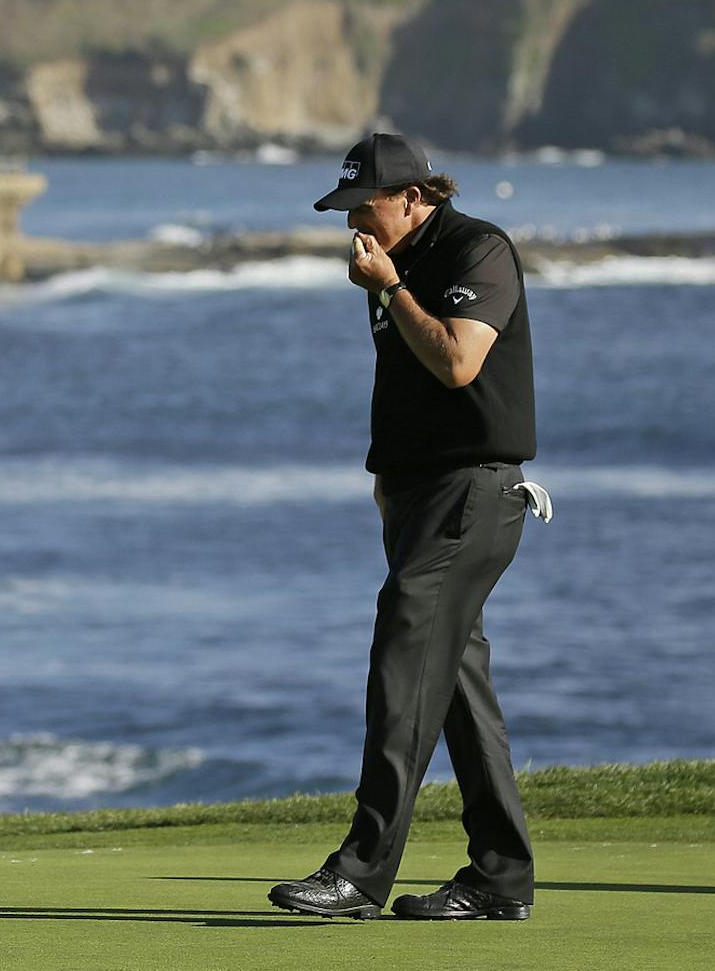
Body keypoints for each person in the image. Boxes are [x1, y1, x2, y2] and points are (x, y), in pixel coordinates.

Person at [268, 132, 549, 923]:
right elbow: (402, 385)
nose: (354, 224)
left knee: (400, 655)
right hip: (419, 499)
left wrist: (392, 289)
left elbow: (459, 362)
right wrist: (387, 483)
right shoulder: (384, 269)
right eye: (345, 211)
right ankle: (500, 875)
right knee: (457, 685)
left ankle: (360, 873)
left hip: (475, 494)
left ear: (413, 199)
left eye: (365, 207)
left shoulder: (477, 250)